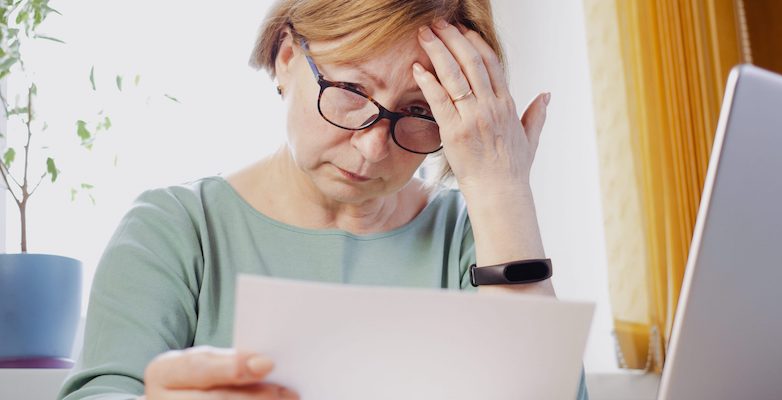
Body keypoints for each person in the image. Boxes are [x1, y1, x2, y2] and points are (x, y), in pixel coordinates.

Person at [58, 0, 589, 399]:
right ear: (288, 57)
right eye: (353, 91)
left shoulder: (471, 235)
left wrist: (503, 193)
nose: (373, 144)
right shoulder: (173, 228)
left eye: (422, 113)